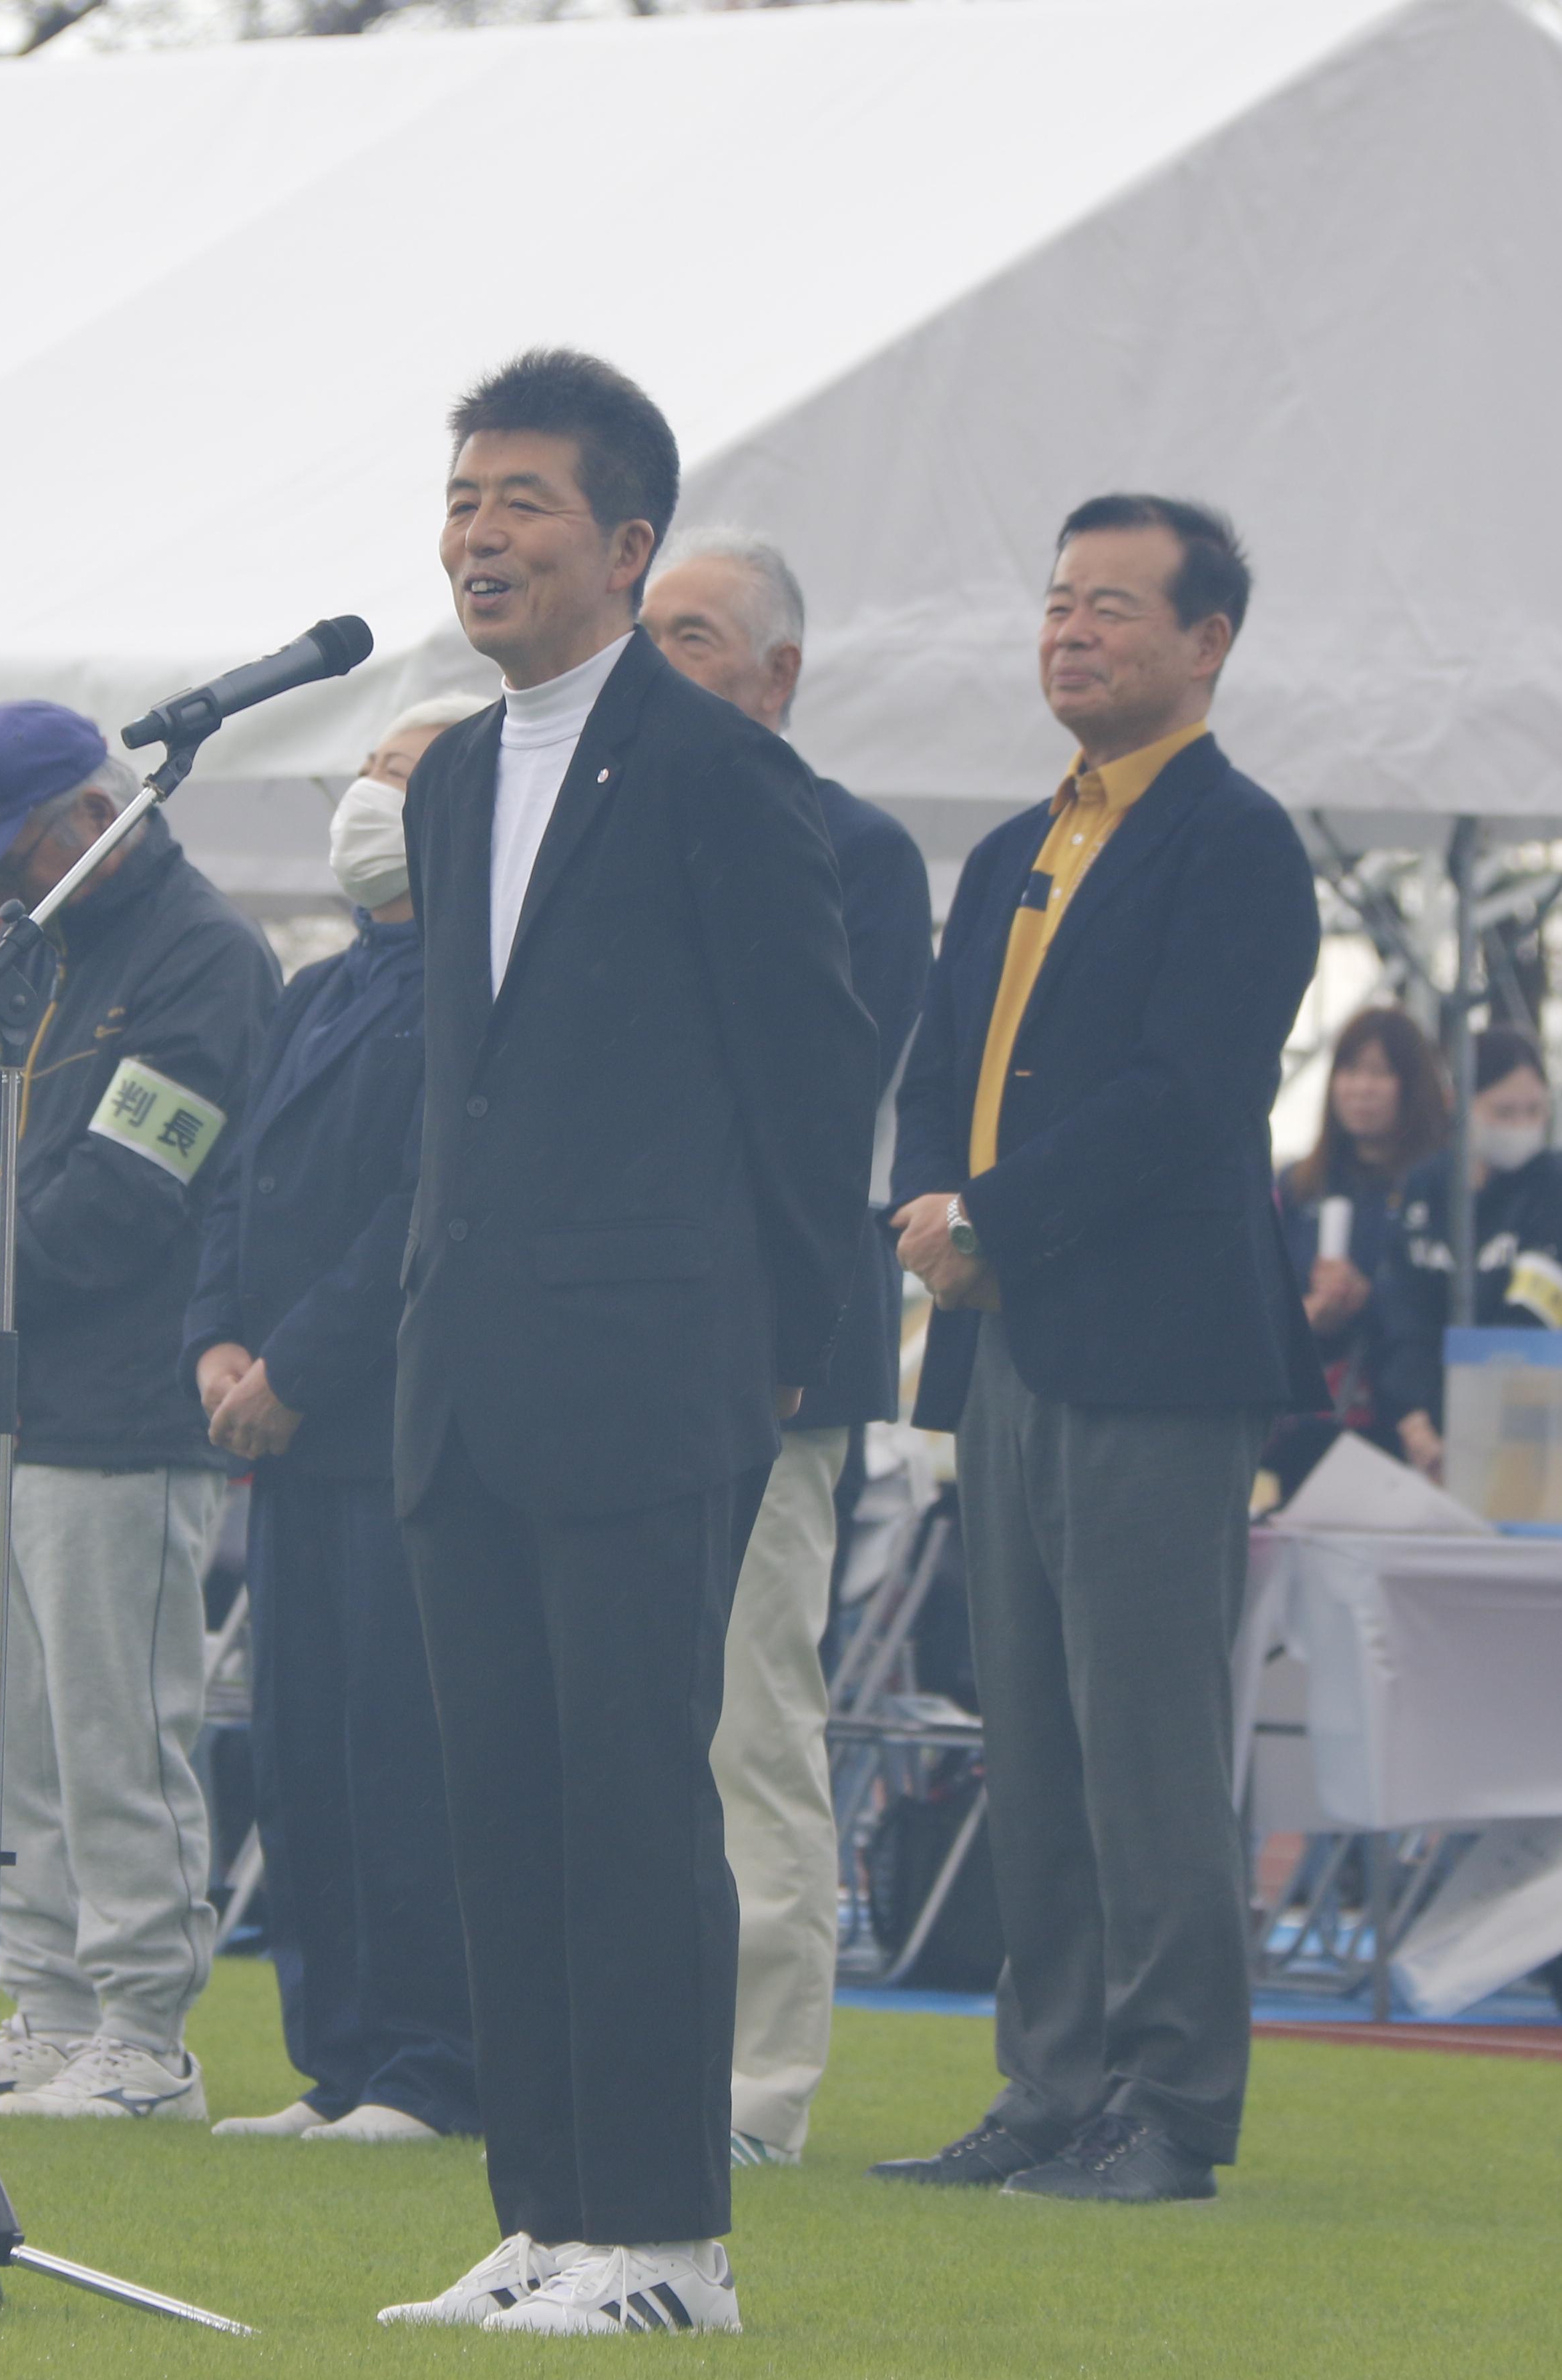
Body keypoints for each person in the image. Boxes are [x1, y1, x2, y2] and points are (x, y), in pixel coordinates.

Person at [377, 351, 871, 2341]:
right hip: (470, 1372)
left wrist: (777, 1349)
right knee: (500, 1803)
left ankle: (670, 2241)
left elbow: (814, 1088)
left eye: (525, 503)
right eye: (465, 498)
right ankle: (550, 2213)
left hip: (655, 1370)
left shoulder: (717, 771)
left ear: (629, 541)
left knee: (634, 1797)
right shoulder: (447, 776)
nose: (481, 534)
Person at [870, 493, 1318, 2208]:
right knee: (1032, 1745)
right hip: (1002, 1343)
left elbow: (1183, 1097)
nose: (1072, 632)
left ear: (1205, 643)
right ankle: (1046, 2085)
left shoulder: (1233, 839)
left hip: (1150, 1347)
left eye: (1114, 609)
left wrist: (995, 1221)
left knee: (1141, 1740)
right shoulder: (1009, 849)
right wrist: (928, 1203)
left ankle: (1171, 2100)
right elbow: (936, 1065)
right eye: (1057, 601)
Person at [0, 702, 278, 2123]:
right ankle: (39, 2007)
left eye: (11, 855)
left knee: (116, 1733)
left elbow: (130, 1189)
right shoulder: (22, 952)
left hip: (117, 1412)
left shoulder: (206, 957)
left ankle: (144, 2034)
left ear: (91, 816)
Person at [640, 528, 931, 2170]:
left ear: (776, 675)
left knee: (753, 1719)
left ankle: (756, 2088)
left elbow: (803, 1099)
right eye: (648, 630)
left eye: (691, 635)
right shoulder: (585, 818)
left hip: (770, 1352)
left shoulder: (853, 850)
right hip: (603, 1345)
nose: (657, 656)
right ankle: (626, 2053)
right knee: (626, 1722)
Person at [188, 693, 490, 2148]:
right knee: (304, 1751)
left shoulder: (480, 986)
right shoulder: (318, 988)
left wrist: (294, 1366)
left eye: (406, 776)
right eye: (368, 769)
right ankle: (343, 2054)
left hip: (392, 1427)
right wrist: (216, 1340)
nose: (372, 795)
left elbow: (419, 1214)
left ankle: (435, 2064)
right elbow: (233, 1187)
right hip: (281, 1434)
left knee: (404, 1750)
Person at [1374, 1026, 1562, 1478]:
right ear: (1458, 1106)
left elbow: (1531, 1319)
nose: (1521, 1125)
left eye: (1534, 1110)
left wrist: (1455, 1421)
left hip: (1529, 1433)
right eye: (1503, 1111)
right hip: (1417, 1438)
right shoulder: (1424, 1189)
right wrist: (1413, 1412)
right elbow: (1402, 1312)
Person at [1270, 1004, 1449, 1485]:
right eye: (1349, 1070)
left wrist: (1369, 1299)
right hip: (1310, 1433)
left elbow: (1437, 1300)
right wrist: (1307, 1314)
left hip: (1406, 1429)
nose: (1361, 1088)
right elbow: (1266, 1291)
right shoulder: (1299, 1186)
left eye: (1380, 1073)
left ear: (1413, 1086)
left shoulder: (1438, 1186)